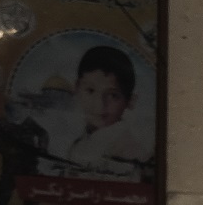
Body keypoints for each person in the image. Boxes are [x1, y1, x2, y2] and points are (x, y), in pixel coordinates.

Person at [62, 43, 152, 175]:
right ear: (76, 88)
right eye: (90, 91)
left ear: (130, 101)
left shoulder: (129, 151)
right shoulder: (82, 140)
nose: (99, 105)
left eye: (113, 95)